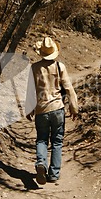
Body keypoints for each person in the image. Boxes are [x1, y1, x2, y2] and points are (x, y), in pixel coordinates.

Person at [26, 37, 78, 185]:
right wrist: (74, 108)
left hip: (41, 110)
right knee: (57, 141)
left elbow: (30, 91)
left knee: (42, 139)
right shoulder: (60, 66)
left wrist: (29, 109)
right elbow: (68, 88)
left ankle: (41, 163)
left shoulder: (34, 68)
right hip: (57, 109)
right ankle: (54, 173)